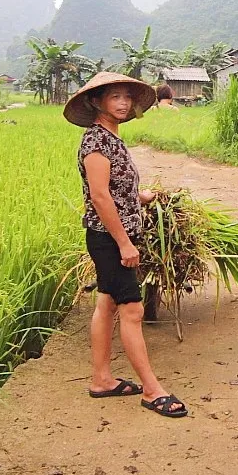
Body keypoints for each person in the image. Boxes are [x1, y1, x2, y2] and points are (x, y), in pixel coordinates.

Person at [63, 71, 187, 418]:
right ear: (95, 102)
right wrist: (124, 244)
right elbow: (100, 197)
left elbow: (115, 189)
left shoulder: (111, 139)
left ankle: (102, 380)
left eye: (127, 97)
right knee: (131, 310)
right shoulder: (96, 143)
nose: (123, 103)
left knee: (106, 303)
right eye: (114, 97)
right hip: (109, 239)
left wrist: (141, 196)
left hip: (116, 236)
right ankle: (151, 389)